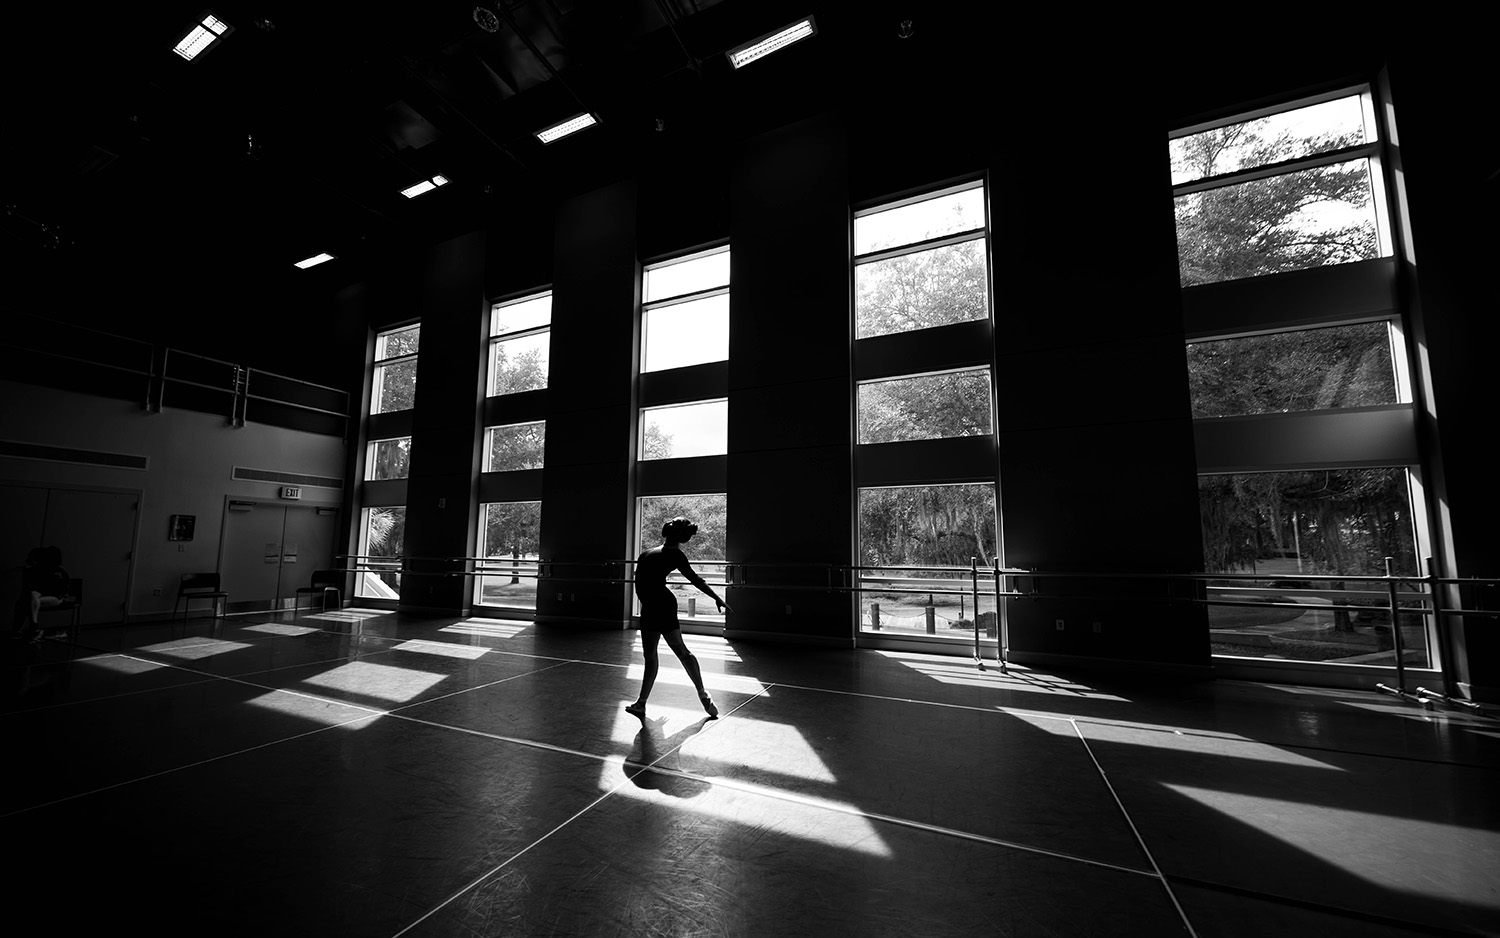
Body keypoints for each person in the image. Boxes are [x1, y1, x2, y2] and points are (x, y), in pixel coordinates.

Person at [626, 517, 731, 719]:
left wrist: (716, 597)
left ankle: (698, 694)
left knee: (657, 655)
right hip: (657, 606)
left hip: (654, 607)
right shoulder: (673, 555)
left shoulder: (648, 553)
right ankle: (645, 702)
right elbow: (696, 580)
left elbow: (642, 585)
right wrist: (716, 597)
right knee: (678, 651)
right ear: (683, 537)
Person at [13, 546, 72, 642]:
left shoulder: (60, 571)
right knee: (29, 599)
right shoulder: (40, 570)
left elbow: (63, 589)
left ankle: (24, 630)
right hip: (39, 597)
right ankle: (32, 627)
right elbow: (34, 589)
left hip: (56, 597)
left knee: (26, 602)